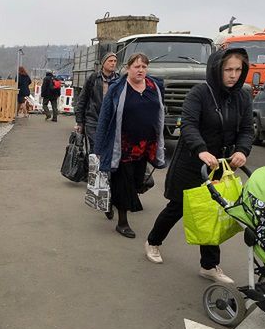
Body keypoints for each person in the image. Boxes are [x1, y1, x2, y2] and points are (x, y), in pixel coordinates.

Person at [145, 47, 253, 285]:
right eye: (228, 70)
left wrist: (242, 151)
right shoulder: (199, 93)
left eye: (238, 70)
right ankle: (153, 241)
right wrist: (202, 149)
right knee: (178, 208)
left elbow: (246, 130)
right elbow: (189, 126)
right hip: (192, 163)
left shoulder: (243, 97)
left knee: (213, 213)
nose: (233, 75)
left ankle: (209, 265)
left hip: (219, 166)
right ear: (217, 70)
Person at [93, 53, 166, 238]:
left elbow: (159, 113)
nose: (141, 70)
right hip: (122, 144)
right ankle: (122, 223)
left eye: (144, 67)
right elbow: (105, 117)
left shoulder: (155, 86)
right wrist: (99, 147)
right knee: (124, 183)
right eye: (137, 67)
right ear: (128, 68)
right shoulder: (117, 89)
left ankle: (110, 201)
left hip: (145, 145)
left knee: (136, 182)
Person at [74, 52, 119, 148]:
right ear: (103, 63)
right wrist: (79, 122)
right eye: (110, 61)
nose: (113, 63)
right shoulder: (93, 78)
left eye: (115, 61)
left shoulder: (119, 80)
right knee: (95, 148)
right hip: (93, 121)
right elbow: (82, 100)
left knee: (108, 150)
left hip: (111, 122)